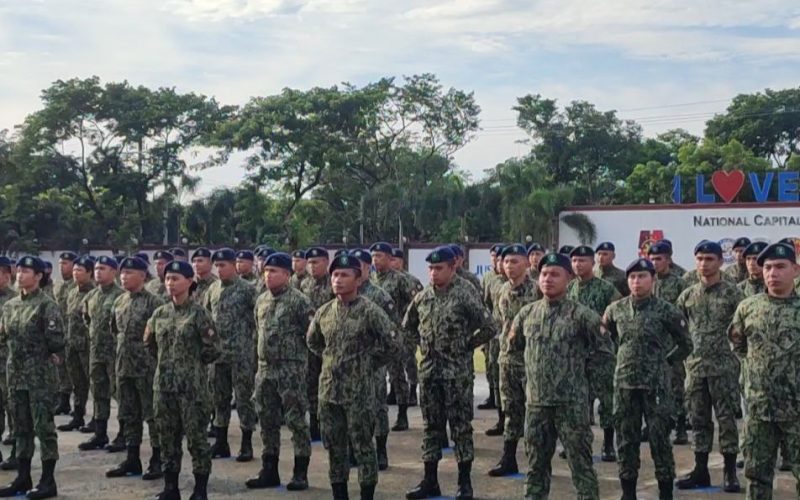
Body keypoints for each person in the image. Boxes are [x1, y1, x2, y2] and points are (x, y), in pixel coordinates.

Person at [403, 246, 498, 500]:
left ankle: (464, 483)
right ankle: (430, 481)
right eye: (431, 268)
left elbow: (489, 326)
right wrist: (422, 345)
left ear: (452, 267)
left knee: (460, 428)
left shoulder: (465, 293)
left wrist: (466, 345)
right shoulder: (423, 297)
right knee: (431, 428)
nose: (434, 273)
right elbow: (407, 326)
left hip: (457, 374)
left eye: (439, 268)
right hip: (430, 372)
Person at [307, 254, 398, 500]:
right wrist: (332, 360)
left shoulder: (370, 311)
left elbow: (392, 345)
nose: (338, 280)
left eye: (344, 275)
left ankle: (367, 494)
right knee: (335, 449)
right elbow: (313, 342)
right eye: (335, 275)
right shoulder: (324, 312)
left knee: (363, 447)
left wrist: (367, 363)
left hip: (359, 393)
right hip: (329, 393)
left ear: (358, 280)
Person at [510, 252, 600, 500]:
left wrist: (587, 387)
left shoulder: (582, 315)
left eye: (555, 274)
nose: (547, 279)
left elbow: (603, 354)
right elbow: (514, 349)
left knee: (581, 464)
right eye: (544, 274)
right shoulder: (527, 314)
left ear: (568, 279)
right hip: (537, 404)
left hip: (570, 405)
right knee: (535, 464)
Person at [603, 258, 692, 500]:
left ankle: (665, 492)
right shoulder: (615, 310)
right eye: (632, 277)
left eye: (642, 277)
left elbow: (686, 344)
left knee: (659, 440)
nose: (637, 282)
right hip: (625, 385)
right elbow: (607, 338)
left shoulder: (667, 311)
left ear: (652, 280)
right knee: (626, 440)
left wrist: (666, 362)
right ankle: (628, 492)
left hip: (656, 387)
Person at [728, 242, 800, 499]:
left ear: (795, 270)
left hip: (797, 410)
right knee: (757, 476)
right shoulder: (748, 307)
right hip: (759, 409)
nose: (772, 273)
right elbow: (738, 345)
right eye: (768, 267)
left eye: (780, 267)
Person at [145, 260, 220, 500]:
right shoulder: (159, 314)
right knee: (167, 438)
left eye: (176, 279)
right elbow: (150, 344)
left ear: (189, 282)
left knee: (197, 440)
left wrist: (190, 366)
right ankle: (171, 488)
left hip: (192, 389)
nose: (170, 283)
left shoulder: (200, 315)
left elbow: (213, 349)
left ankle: (200, 490)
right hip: (164, 388)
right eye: (168, 279)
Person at [675, 240, 743, 493]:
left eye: (709, 259)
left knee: (727, 420)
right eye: (700, 259)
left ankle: (729, 472)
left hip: (724, 368)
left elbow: (743, 329)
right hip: (695, 368)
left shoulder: (733, 294)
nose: (704, 264)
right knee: (698, 420)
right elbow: (679, 329)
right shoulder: (687, 295)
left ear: (720, 261)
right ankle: (700, 470)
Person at [0, 256, 65, 499]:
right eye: (18, 270)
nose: (20, 275)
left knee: (44, 427)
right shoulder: (10, 306)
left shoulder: (47, 306)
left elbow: (57, 341)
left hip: (40, 378)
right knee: (21, 428)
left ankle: (48, 481)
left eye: (26, 271)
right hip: (16, 376)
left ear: (38, 276)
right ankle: (23, 477)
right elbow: (3, 337)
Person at [248, 252, 313, 491]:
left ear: (287, 274)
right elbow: (258, 331)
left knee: (296, 421)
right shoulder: (262, 300)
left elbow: (312, 335)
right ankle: (269, 470)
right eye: (266, 271)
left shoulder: (300, 302)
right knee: (267, 421)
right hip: (265, 370)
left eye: (274, 271)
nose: (268, 275)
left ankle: (300, 472)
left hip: (290, 371)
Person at [105, 256, 164, 481]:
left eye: (129, 273)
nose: (124, 277)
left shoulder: (154, 303)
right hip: (124, 366)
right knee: (128, 414)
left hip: (146, 368)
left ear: (142, 276)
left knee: (152, 415)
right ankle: (132, 458)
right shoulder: (120, 301)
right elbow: (115, 331)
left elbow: (160, 337)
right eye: (122, 273)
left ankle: (157, 459)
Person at [488, 244, 541, 477]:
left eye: (515, 261)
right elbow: (499, 322)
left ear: (526, 264)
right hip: (507, 358)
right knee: (510, 409)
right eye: (506, 261)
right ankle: (508, 458)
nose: (509, 266)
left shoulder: (538, 289)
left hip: (532, 359)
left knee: (534, 412)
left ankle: (536, 462)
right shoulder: (502, 290)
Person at [567, 245, 622, 461]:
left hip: (601, 353)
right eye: (574, 261)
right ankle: (578, 444)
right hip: (574, 354)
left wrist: (608, 335)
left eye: (582, 260)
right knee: (576, 401)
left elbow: (619, 315)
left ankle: (608, 444)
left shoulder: (606, 288)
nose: (578, 264)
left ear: (592, 263)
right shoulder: (568, 288)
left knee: (607, 400)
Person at [203, 248, 258, 462]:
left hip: (240, 355)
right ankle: (221, 442)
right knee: (219, 399)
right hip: (218, 356)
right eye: (216, 265)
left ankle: (246, 444)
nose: (219, 269)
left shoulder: (247, 289)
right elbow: (206, 317)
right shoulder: (212, 289)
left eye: (223, 265)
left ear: (233, 265)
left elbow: (258, 317)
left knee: (244, 399)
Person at [351, 249, 399, 471]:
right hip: (349, 363)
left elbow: (393, 331)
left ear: (367, 268)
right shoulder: (343, 294)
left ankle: (380, 449)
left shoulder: (379, 296)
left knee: (378, 406)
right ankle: (355, 449)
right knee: (352, 407)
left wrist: (379, 358)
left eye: (358, 266)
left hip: (373, 363)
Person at [370, 242, 420, 432]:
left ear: (390, 258)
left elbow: (416, 304)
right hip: (375, 337)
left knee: (398, 375)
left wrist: (406, 328)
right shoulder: (370, 280)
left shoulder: (400, 280)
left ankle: (402, 414)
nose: (375, 260)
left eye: (379, 256)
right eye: (373, 256)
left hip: (396, 336)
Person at [78, 256, 125, 452]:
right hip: (96, 352)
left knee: (120, 394)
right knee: (98, 393)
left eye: (103, 268)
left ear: (113, 272)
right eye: (96, 268)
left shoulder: (121, 296)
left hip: (115, 354)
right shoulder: (91, 296)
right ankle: (100, 432)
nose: (98, 272)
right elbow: (87, 320)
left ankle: (124, 434)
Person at [647, 241, 691, 445]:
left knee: (676, 384)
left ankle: (681, 425)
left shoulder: (679, 283)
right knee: (652, 385)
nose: (655, 263)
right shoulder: (647, 282)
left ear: (668, 260)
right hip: (652, 342)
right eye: (652, 259)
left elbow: (685, 315)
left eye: (659, 259)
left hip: (672, 342)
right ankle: (654, 425)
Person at [57, 255, 95, 433]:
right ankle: (78, 415)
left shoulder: (94, 294)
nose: (75, 273)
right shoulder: (72, 293)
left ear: (89, 273)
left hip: (87, 346)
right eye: (74, 270)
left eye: (80, 270)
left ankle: (97, 419)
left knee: (94, 383)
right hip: (72, 344)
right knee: (77, 382)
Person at [300, 246, 335, 442]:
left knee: (330, 385)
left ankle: (329, 424)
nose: (312, 266)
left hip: (330, 343)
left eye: (316, 262)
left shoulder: (333, 283)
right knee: (311, 384)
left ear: (326, 262)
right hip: (310, 343)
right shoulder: (304, 284)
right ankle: (314, 423)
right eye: (309, 263)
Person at [479, 244, 505, 415]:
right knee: (492, 366)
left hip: (512, 334)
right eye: (496, 258)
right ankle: (495, 400)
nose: (498, 262)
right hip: (495, 332)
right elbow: (485, 303)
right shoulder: (490, 279)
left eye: (501, 259)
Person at [52, 252, 77, 418]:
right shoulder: (58, 284)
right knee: (61, 367)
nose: (62, 267)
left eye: (66, 263)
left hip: (73, 333)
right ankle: (64, 401)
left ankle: (78, 406)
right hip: (59, 332)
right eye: (60, 263)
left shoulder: (77, 286)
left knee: (73, 371)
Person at [0, 257, 17, 465]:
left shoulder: (16, 302)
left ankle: (16, 453)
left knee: (13, 408)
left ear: (6, 275)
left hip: (10, 364)